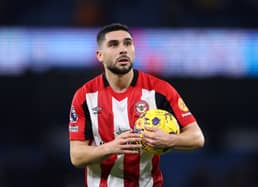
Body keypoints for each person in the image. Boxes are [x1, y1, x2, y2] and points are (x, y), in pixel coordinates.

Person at [68, 23, 205, 187]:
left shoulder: (160, 90)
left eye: (128, 43)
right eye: (113, 44)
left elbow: (197, 138)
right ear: (100, 55)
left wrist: (170, 140)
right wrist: (111, 148)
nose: (123, 49)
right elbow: (76, 156)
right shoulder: (85, 96)